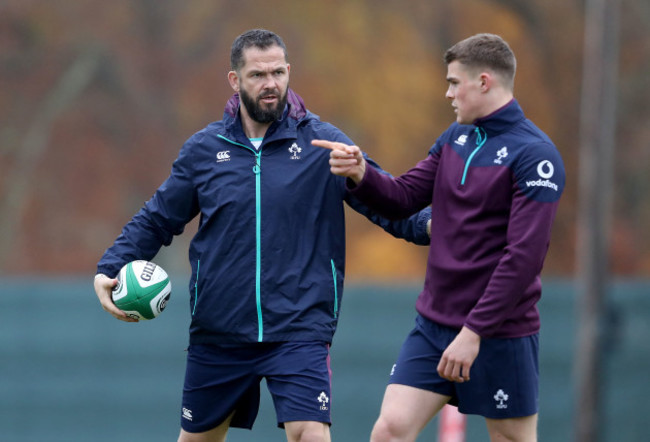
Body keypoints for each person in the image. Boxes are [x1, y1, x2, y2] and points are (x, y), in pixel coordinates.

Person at [93, 29, 431, 442]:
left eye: (277, 72)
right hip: (219, 330)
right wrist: (110, 267)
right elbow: (157, 219)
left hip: (300, 326)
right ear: (235, 81)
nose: (270, 84)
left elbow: (384, 197)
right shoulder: (204, 149)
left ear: (289, 72)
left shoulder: (322, 143)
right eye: (257, 75)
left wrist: (435, 227)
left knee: (310, 433)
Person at [313, 33, 565, 441]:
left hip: (499, 333)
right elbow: (403, 198)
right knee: (390, 429)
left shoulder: (536, 156)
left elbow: (523, 258)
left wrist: (473, 333)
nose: (448, 93)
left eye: (453, 82)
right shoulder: (454, 139)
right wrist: (361, 172)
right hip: (434, 326)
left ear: (484, 82)